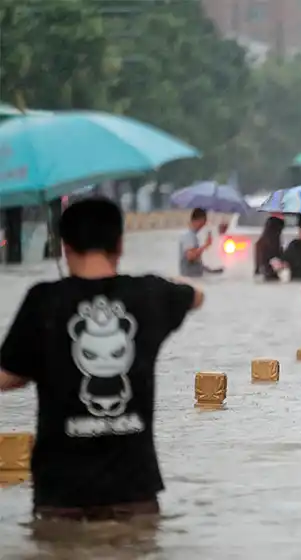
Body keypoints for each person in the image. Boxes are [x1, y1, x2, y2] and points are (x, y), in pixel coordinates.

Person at [0, 197, 204, 521]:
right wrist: (167, 283)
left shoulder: (43, 300)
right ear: (120, 243)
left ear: (64, 246)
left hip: (61, 494)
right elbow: (196, 296)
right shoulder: (148, 295)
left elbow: (9, 376)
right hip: (134, 493)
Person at [179, 208, 212, 277]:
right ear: (197, 220)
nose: (204, 225)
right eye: (203, 222)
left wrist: (205, 268)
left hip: (195, 277)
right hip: (190, 279)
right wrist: (205, 245)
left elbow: (196, 258)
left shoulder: (194, 236)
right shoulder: (188, 236)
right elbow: (190, 256)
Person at [254, 216, 286, 282]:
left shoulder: (262, 243)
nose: (280, 234)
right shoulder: (264, 245)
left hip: (270, 278)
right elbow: (261, 267)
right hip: (267, 278)